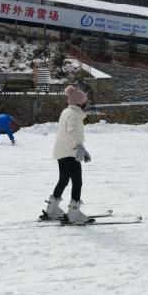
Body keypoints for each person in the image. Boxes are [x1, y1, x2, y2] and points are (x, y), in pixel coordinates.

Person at [43, 84, 91, 223]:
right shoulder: (75, 115)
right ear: (80, 103)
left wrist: (82, 148)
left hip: (61, 151)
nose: (85, 105)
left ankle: (52, 210)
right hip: (70, 153)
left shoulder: (66, 111)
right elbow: (72, 132)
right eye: (84, 103)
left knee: (63, 180)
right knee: (77, 182)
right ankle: (74, 214)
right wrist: (79, 146)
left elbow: (67, 133)